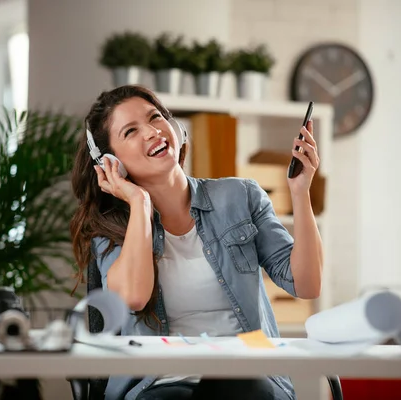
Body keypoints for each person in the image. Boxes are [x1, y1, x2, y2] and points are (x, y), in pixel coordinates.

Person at [70, 85, 323, 400]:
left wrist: (300, 192)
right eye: (131, 131)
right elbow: (134, 297)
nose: (151, 132)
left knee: (243, 389)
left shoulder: (240, 196)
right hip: (159, 383)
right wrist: (139, 203)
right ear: (109, 160)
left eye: (155, 117)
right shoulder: (112, 228)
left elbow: (307, 284)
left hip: (245, 374)